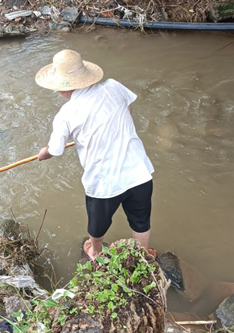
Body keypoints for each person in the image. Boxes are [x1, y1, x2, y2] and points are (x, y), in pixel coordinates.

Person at [35, 49, 155, 260]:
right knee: (141, 220)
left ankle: (95, 250)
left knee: (97, 223)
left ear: (62, 89)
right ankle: (143, 254)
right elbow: (128, 111)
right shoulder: (113, 86)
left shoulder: (66, 114)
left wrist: (43, 153)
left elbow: (55, 150)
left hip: (104, 183)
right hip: (139, 172)